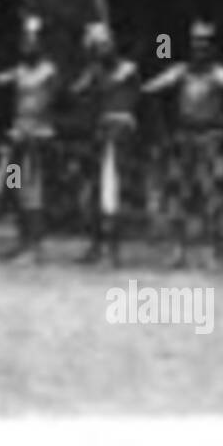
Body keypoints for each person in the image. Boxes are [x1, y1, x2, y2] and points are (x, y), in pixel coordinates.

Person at [142, 20, 223, 269]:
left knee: (209, 195)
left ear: (212, 47)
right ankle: (179, 249)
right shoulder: (180, 71)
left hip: (210, 139)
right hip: (183, 139)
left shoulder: (220, 74)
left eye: (205, 43)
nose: (200, 48)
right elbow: (150, 89)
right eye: (196, 43)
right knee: (178, 195)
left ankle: (208, 250)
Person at [0, 15, 58, 264]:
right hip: (18, 139)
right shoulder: (18, 71)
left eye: (33, 41)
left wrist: (33, 126)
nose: (28, 45)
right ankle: (21, 242)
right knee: (15, 188)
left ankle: (34, 246)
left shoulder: (48, 71)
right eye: (26, 41)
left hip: (37, 140)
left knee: (33, 193)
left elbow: (46, 102)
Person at [71, 21, 140, 267]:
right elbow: (75, 92)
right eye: (98, 47)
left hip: (119, 135)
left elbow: (133, 100)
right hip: (99, 133)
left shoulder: (129, 70)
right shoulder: (95, 71)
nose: (103, 50)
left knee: (112, 191)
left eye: (106, 45)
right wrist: (90, 70)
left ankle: (112, 250)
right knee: (94, 191)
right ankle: (96, 245)